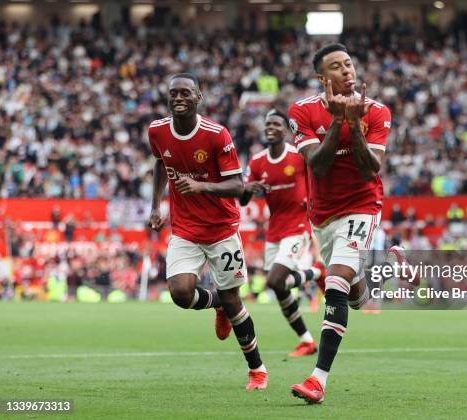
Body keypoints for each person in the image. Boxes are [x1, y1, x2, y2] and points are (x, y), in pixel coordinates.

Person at [287, 43, 404, 403]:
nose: (347, 71)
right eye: (336, 67)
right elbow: (317, 165)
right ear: (322, 78)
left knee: (335, 282)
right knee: (351, 295)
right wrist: (338, 119)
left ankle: (317, 380)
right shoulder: (301, 112)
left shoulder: (377, 111)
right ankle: (363, 280)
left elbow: (372, 166)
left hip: (362, 207)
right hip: (322, 216)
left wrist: (353, 122)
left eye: (349, 64)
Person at [147, 73, 267, 390]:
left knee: (234, 300)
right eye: (173, 93)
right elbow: (160, 162)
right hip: (184, 228)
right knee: (180, 293)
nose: (178, 98)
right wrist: (156, 206)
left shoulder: (216, 135)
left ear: (198, 96)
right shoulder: (157, 130)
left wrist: (200, 185)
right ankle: (216, 303)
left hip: (221, 229)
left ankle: (257, 370)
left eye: (185, 92)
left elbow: (237, 185)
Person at [239, 109, 326, 357]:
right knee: (278, 287)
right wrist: (248, 188)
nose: (271, 127)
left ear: (286, 130)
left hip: (298, 225)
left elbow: (315, 186)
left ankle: (318, 271)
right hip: (275, 228)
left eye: (277, 124)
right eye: (268, 124)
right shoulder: (257, 162)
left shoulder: (299, 157)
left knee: (275, 281)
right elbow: (244, 200)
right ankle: (307, 340)